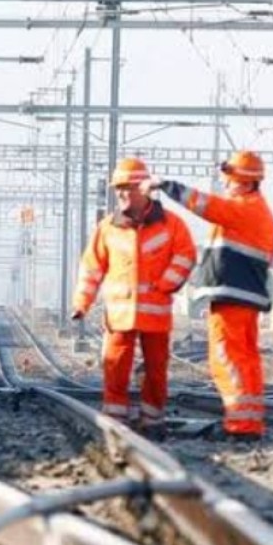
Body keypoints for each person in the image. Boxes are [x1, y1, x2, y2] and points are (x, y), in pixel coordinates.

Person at [143, 151, 273, 441]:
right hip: (243, 296)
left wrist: (166, 185)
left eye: (229, 179)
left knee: (225, 357)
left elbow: (204, 205)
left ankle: (241, 426)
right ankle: (248, 424)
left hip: (234, 296)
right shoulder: (255, 210)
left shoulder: (245, 208)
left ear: (242, 181)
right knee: (245, 359)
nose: (225, 184)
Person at [72, 157, 196, 436]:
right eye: (119, 189)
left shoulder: (171, 225)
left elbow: (185, 255)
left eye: (128, 188)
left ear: (146, 189)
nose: (123, 194)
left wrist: (165, 285)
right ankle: (116, 422)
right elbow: (92, 267)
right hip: (118, 315)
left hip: (156, 314)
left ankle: (152, 421)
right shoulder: (107, 228)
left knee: (155, 371)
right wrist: (81, 303)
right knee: (114, 367)